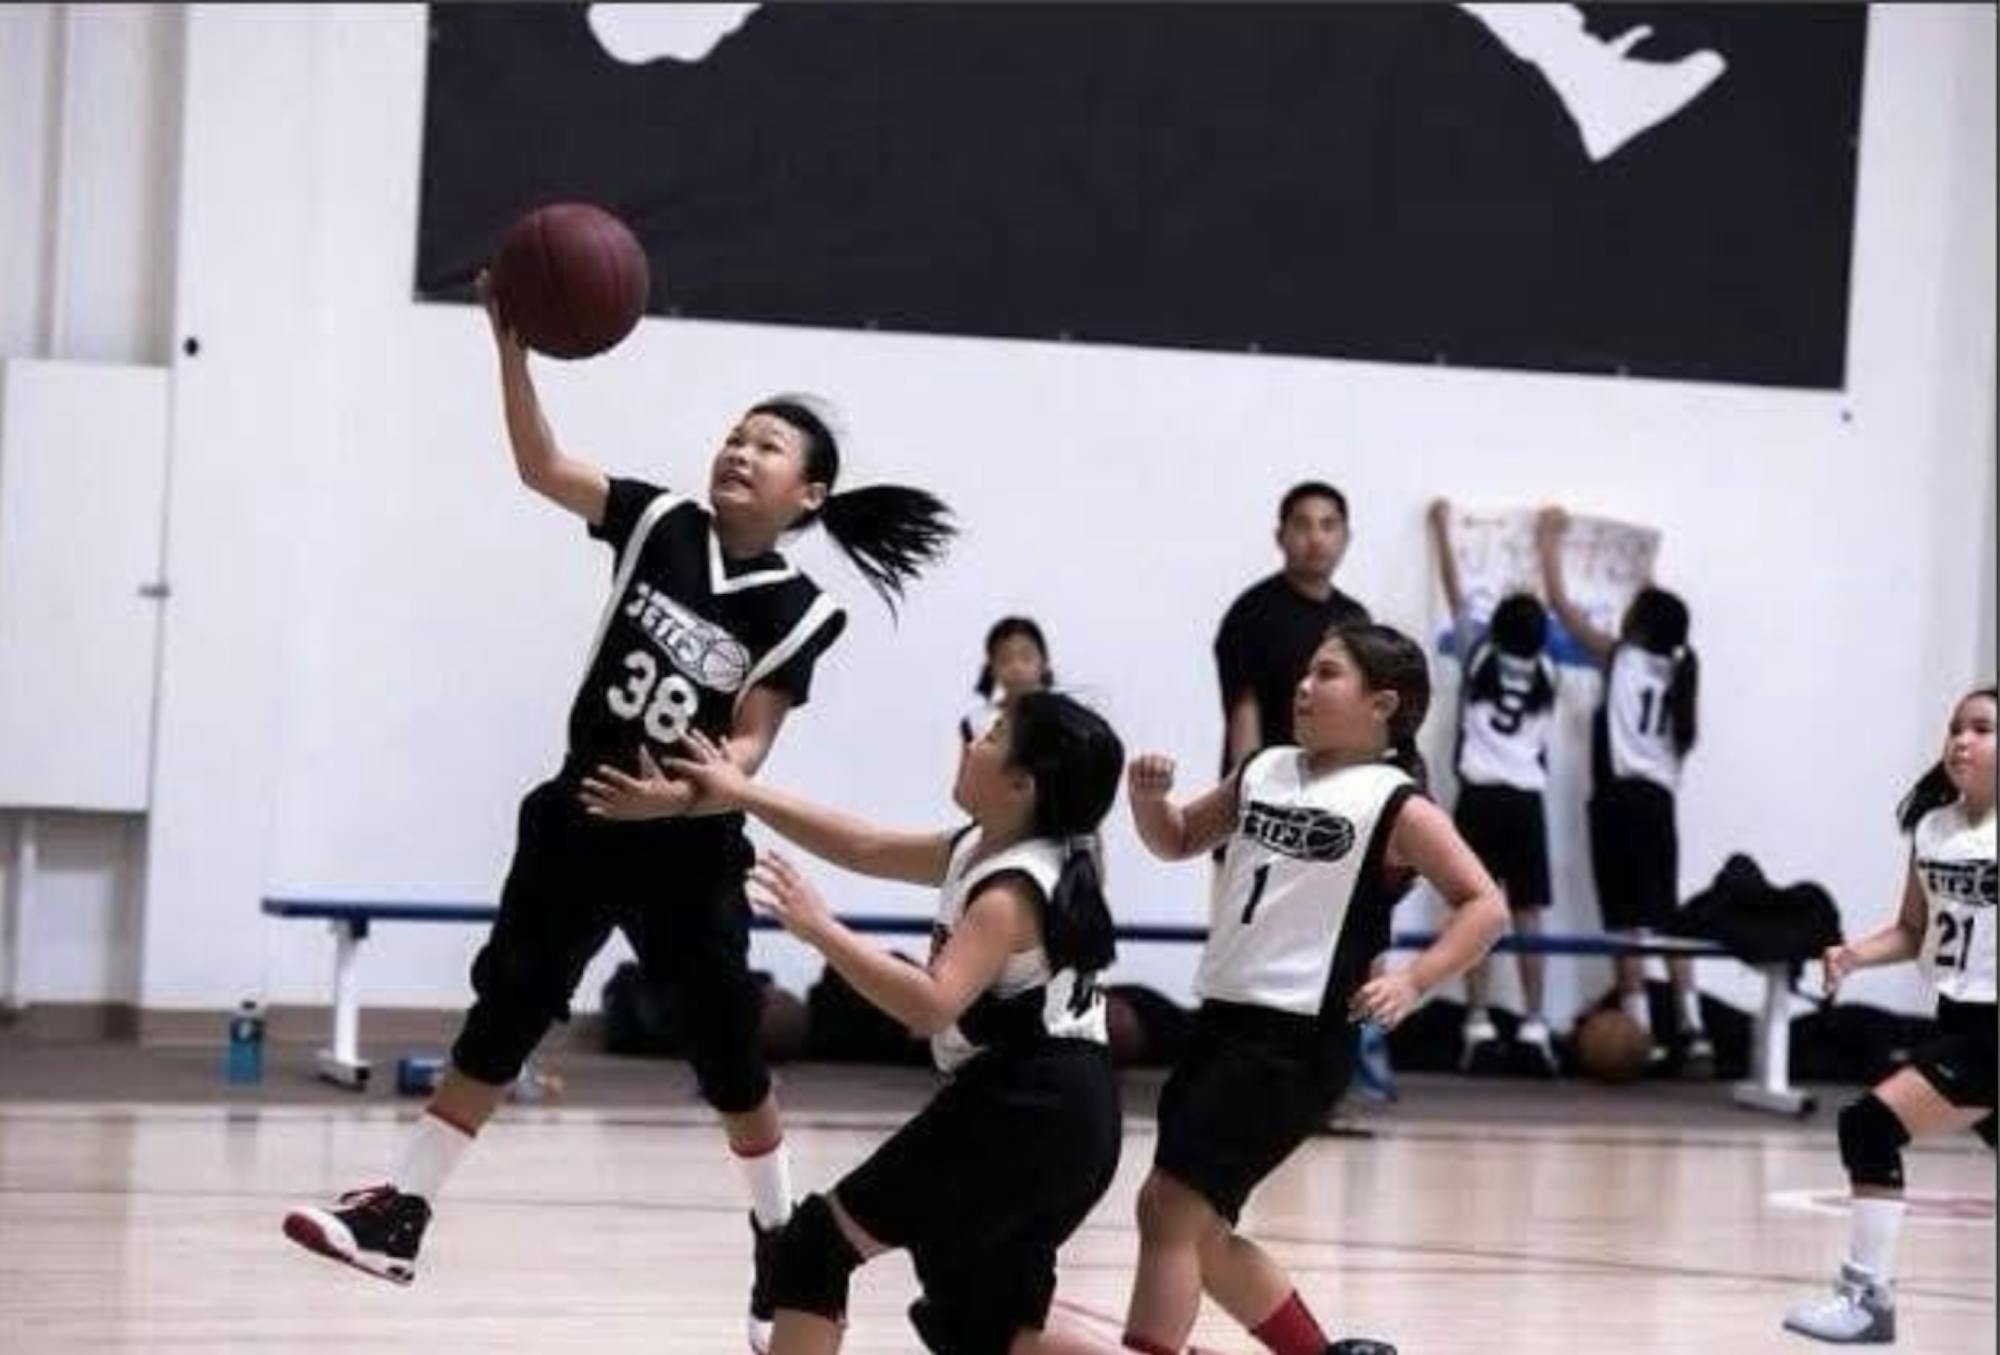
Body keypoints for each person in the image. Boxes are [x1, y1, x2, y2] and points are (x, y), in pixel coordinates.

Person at [282, 274, 954, 1354]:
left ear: (809, 495)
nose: (739, 450)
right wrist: (512, 349)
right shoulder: (656, 522)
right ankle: (401, 1211)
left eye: (767, 446)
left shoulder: (799, 611)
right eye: (734, 434)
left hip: (687, 849)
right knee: (506, 1008)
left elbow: (747, 749)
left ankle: (780, 1240)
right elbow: (541, 465)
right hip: (579, 813)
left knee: (729, 1058)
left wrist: (679, 798)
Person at [665, 692, 1129, 1355]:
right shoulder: (989, 846)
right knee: (980, 1329)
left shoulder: (1009, 894)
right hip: (1063, 1114)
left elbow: (928, 1003)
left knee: (814, 1246)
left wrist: (820, 929)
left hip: (1030, 1109)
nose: (973, 740)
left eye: (994, 736)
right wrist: (744, 792)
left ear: (1022, 785)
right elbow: (864, 844)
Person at [1121, 622, 1509, 1355]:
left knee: (1171, 1210)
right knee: (1192, 1227)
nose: (1304, 684)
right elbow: (1176, 839)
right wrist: (1149, 800)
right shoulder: (1265, 766)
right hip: (1223, 1023)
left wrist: (1416, 979)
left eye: (1327, 674)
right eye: (1306, 670)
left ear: (1381, 704)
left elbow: (1484, 904)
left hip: (1296, 1040)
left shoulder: (1400, 805)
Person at [1783, 686, 1996, 1346]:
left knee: (1869, 1125)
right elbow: (1913, 927)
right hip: (1954, 1018)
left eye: (1983, 727)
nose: (1962, 738)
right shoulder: (1933, 827)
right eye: (1956, 726)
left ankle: (1866, 1299)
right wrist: (1854, 955)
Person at [1213, 484, 1393, 1102]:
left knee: (1345, 945)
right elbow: (1245, 715)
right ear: (1280, 534)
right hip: (1268, 809)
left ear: (1345, 535)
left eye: (1329, 525)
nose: (1316, 537)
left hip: (1343, 814)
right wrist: (1251, 806)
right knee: (1253, 941)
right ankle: (1237, 1071)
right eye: (1303, 524)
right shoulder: (1252, 615)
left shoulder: (1358, 622)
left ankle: (1348, 1067)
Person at [1536, 507, 1709, 1070]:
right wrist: (1649, 563)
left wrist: (1548, 543)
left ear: (1639, 623)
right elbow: (1656, 604)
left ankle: (1642, 1028)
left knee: (1623, 917)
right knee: (1666, 913)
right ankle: (1694, 1024)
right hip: (1659, 802)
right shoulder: (1680, 670)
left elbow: (1561, 607)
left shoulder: (1622, 657)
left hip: (1617, 801)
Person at [1428, 499, 1560, 1073]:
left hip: (1480, 798)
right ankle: (1534, 1022)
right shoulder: (1549, 670)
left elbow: (1458, 593)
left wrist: (1440, 529)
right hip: (1526, 801)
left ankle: (1477, 1018)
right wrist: (1546, 542)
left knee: (1471, 909)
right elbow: (1544, 609)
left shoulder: (1478, 652)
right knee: (1528, 913)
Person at [962, 616, 1058, 744]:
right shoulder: (976, 722)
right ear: (992, 669)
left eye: (1026, 657)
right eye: (1005, 659)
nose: (1016, 667)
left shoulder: (1063, 717)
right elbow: (967, 763)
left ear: (1043, 663)